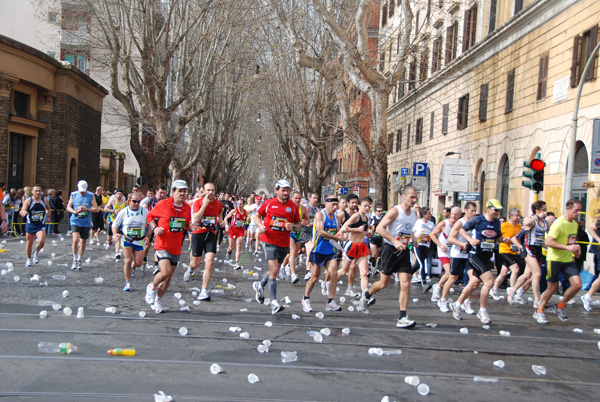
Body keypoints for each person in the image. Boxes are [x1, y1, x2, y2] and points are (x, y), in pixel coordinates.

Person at [360, 186, 419, 328]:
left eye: (415, 197)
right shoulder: (395, 211)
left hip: (403, 251)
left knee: (406, 283)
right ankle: (367, 295)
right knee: (383, 283)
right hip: (390, 250)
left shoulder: (413, 214)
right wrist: (394, 241)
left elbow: (407, 229)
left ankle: (402, 317)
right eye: (412, 197)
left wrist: (413, 239)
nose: (414, 200)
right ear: (403, 197)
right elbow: (379, 229)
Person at [449, 199, 503, 324]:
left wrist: (504, 240)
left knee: (474, 284)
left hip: (486, 256)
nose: (497, 212)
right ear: (488, 209)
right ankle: (482, 310)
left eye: (499, 210)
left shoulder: (496, 223)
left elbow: (497, 237)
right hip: (475, 255)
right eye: (495, 210)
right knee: (489, 281)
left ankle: (457, 304)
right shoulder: (478, 220)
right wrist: (470, 240)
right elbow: (462, 230)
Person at [252, 179, 300, 314]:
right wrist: (260, 225)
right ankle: (274, 302)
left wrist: (294, 227)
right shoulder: (268, 204)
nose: (285, 193)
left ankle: (259, 285)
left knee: (275, 271)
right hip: (269, 240)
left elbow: (298, 224)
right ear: (276, 190)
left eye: (287, 190)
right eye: (283, 190)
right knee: (273, 270)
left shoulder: (293, 207)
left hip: (284, 242)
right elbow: (257, 216)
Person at [145, 180, 192, 313]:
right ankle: (152, 287)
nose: (182, 194)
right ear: (173, 191)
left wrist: (191, 227)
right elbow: (150, 216)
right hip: (162, 243)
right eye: (180, 191)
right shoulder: (163, 204)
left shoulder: (187, 208)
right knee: (164, 272)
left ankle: (158, 300)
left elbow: (186, 224)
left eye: (184, 191)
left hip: (176, 246)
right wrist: (155, 228)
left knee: (168, 277)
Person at [534, 199, 583, 324]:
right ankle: (539, 310)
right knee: (552, 288)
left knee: (577, 285)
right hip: (554, 259)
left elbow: (570, 241)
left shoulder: (574, 224)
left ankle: (560, 306)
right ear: (568, 209)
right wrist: (567, 247)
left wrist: (576, 248)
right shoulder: (559, 223)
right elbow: (548, 242)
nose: (578, 213)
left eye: (579, 210)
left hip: (567, 259)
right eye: (576, 210)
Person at [302, 195, 344, 313]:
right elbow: (321, 232)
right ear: (326, 204)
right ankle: (306, 298)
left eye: (337, 205)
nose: (335, 207)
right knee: (315, 277)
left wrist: (343, 236)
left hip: (330, 251)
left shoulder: (337, 217)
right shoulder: (320, 215)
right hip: (317, 250)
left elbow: (338, 232)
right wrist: (337, 237)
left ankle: (330, 301)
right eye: (333, 205)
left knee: (334, 274)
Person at [183, 182, 223, 301]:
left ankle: (203, 290)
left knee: (210, 262)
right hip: (198, 234)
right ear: (204, 191)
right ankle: (190, 270)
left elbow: (219, 216)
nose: (210, 192)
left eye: (212, 190)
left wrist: (222, 222)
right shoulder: (198, 202)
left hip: (211, 234)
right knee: (196, 263)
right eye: (208, 190)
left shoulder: (218, 204)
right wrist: (204, 205)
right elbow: (195, 218)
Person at [439, 202, 478, 313]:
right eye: (472, 211)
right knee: (453, 278)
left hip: (470, 255)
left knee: (472, 279)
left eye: (475, 211)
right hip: (457, 254)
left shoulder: (475, 223)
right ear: (465, 211)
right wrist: (463, 244)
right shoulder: (460, 223)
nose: (474, 213)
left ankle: (466, 302)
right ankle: (443, 300)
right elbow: (450, 238)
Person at [510, 201, 548, 308]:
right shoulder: (531, 219)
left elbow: (548, 231)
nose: (545, 211)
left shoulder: (544, 222)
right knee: (537, 274)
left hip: (538, 249)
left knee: (528, 275)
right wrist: (537, 216)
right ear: (537, 210)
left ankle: (513, 291)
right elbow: (526, 223)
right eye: (543, 209)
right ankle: (537, 299)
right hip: (528, 248)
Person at [111, 192, 149, 291]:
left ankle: (134, 266)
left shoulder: (144, 211)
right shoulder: (124, 211)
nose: (136, 203)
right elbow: (115, 224)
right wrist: (115, 234)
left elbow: (151, 223)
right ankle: (127, 282)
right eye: (134, 201)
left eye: (138, 201)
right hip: (127, 239)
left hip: (139, 240)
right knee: (127, 260)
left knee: (139, 263)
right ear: (129, 201)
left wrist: (148, 235)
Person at [340, 197, 373, 308]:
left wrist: (367, 233)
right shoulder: (356, 216)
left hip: (362, 246)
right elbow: (344, 228)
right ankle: (328, 281)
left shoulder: (367, 218)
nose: (367, 207)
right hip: (352, 245)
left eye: (369, 206)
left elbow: (363, 232)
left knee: (364, 273)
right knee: (344, 271)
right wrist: (356, 230)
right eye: (365, 205)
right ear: (359, 206)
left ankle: (365, 297)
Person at [490, 207, 524, 304]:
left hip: (514, 252)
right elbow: (496, 236)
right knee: (515, 269)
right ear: (511, 216)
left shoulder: (519, 227)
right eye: (516, 216)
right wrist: (505, 238)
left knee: (503, 272)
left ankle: (494, 290)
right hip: (504, 250)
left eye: (519, 216)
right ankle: (512, 291)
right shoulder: (504, 225)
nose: (518, 218)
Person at [429, 206, 461, 303]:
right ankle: (438, 288)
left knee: (454, 275)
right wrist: (440, 245)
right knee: (449, 273)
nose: (454, 216)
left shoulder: (460, 225)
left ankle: (439, 287)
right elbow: (432, 234)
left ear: (460, 215)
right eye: (452, 214)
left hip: (454, 251)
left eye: (456, 215)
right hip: (443, 251)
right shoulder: (444, 223)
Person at [66, 180, 100, 269]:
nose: (82, 192)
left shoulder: (90, 195)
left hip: (85, 222)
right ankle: (74, 258)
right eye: (80, 190)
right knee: (75, 240)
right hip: (75, 220)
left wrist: (87, 209)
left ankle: (79, 259)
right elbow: (68, 207)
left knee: (83, 243)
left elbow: (96, 208)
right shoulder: (73, 195)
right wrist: (74, 212)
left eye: (83, 191)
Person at [280, 191, 308, 283]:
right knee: (292, 253)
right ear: (292, 198)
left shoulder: (303, 208)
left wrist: (305, 222)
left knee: (294, 253)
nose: (297, 200)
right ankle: (293, 274)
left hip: (298, 232)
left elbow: (307, 219)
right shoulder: (288, 207)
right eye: (296, 198)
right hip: (289, 232)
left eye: (299, 198)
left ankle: (282, 266)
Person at [20, 185, 51, 266]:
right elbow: (23, 209)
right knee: (29, 243)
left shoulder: (45, 200)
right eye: (36, 191)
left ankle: (36, 252)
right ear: (32, 192)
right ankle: (28, 259)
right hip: (31, 224)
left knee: (41, 241)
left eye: (39, 191)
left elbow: (48, 208)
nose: (38, 192)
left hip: (40, 225)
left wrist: (48, 216)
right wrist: (23, 212)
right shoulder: (28, 201)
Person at [411, 207, 435, 285]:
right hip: (418, 245)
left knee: (418, 264)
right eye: (429, 213)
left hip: (426, 245)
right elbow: (411, 233)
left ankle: (406, 274)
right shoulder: (418, 222)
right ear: (424, 215)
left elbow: (434, 234)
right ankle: (423, 282)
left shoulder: (431, 224)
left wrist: (429, 237)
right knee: (421, 264)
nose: (430, 214)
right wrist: (417, 236)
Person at [224, 197, 248, 270]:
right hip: (232, 230)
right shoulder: (234, 211)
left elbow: (246, 219)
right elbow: (226, 218)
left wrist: (248, 219)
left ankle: (237, 262)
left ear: (243, 205)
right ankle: (229, 251)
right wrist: (226, 225)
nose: (239, 205)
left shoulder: (246, 212)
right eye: (238, 204)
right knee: (232, 247)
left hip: (240, 231)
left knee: (239, 246)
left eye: (241, 204)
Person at [301, 193, 320, 280]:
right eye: (314, 198)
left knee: (309, 252)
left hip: (312, 234)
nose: (315, 200)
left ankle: (308, 271)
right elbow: (300, 218)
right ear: (309, 198)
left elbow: (318, 221)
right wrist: (305, 223)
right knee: (296, 252)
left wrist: (314, 223)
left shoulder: (317, 209)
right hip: (303, 232)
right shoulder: (305, 207)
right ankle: (285, 264)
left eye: (317, 198)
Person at [104, 189, 126, 260]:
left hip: (120, 222)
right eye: (118, 194)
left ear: (122, 195)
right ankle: (109, 242)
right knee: (109, 238)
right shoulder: (112, 201)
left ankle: (117, 252)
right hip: (112, 220)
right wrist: (113, 211)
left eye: (120, 194)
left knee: (118, 236)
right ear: (115, 194)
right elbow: (105, 208)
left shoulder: (124, 203)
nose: (119, 195)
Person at [368, 204, 384, 273]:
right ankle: (373, 268)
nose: (380, 212)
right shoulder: (373, 219)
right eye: (379, 211)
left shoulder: (383, 218)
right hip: (373, 237)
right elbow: (369, 226)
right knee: (374, 253)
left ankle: (369, 263)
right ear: (375, 212)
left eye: (381, 211)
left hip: (380, 238)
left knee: (376, 254)